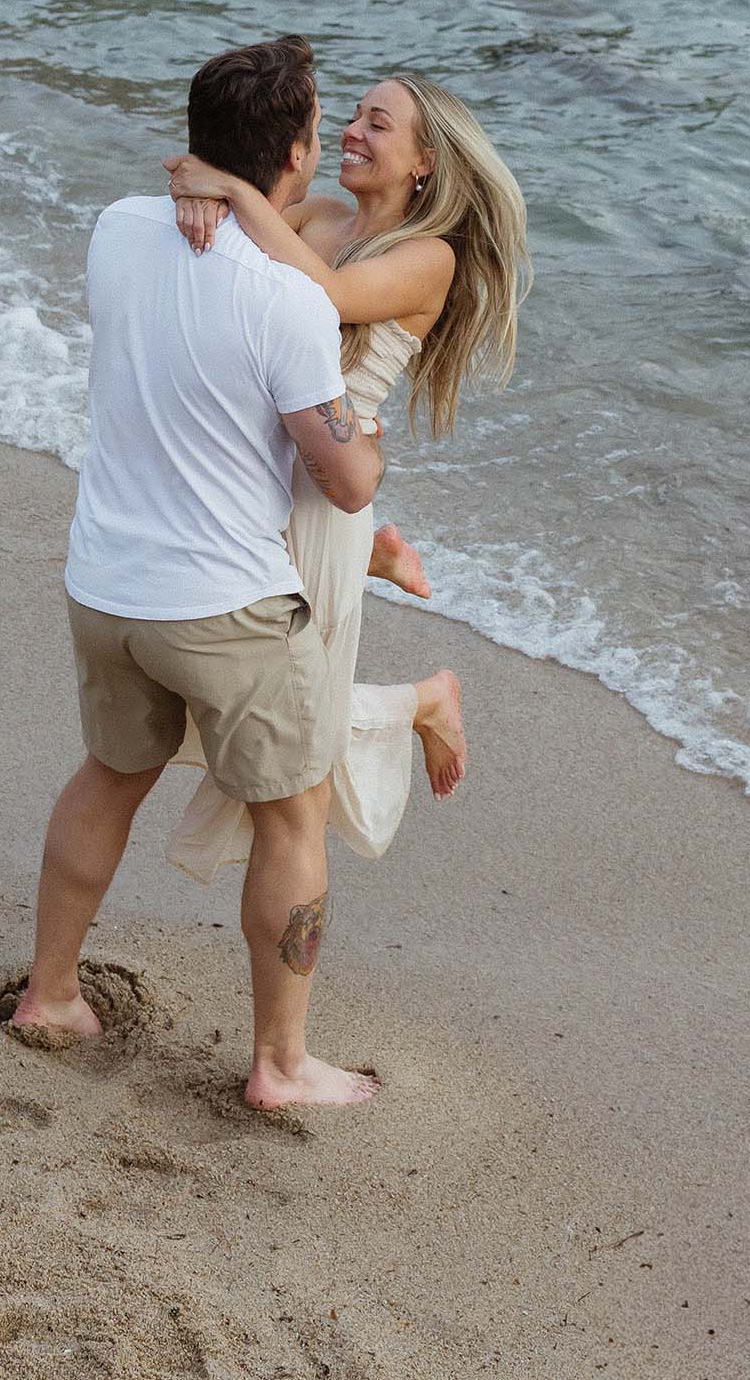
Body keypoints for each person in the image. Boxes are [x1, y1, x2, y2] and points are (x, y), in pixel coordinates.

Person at [12, 35, 385, 1111]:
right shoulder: (288, 301)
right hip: (225, 607)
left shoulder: (116, 229)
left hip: (105, 584)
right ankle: (282, 1065)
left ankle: (50, 994)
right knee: (293, 819)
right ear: (298, 154)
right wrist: (368, 436)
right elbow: (345, 482)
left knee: (109, 776)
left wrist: (200, 185)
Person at [162, 74, 529, 882]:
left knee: (291, 728)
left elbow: (323, 293)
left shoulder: (427, 259)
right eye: (354, 116)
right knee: (228, 694)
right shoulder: (317, 216)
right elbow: (227, 273)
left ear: (424, 162)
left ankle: (424, 694)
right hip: (250, 478)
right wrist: (205, 201)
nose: (353, 132)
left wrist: (228, 187)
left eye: (378, 123)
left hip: (322, 502)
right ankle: (399, 627)